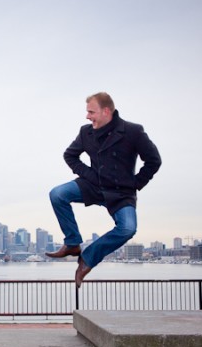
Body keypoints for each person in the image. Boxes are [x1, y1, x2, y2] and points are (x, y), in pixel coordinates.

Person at [46, 92, 161, 287]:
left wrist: (135, 183)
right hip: (93, 185)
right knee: (57, 194)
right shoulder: (86, 132)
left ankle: (88, 259)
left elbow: (153, 161)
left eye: (91, 112)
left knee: (128, 228)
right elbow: (70, 156)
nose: (87, 116)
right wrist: (90, 175)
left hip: (121, 191)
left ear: (106, 111)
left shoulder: (133, 131)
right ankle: (73, 243)